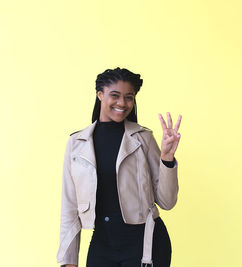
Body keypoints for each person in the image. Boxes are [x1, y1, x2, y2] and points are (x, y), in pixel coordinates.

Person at [56, 67, 182, 267]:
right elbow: (69, 206)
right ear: (100, 95)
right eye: (115, 95)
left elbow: (167, 201)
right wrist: (68, 259)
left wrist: (167, 157)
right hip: (102, 245)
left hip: (145, 245)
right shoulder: (76, 144)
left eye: (129, 97)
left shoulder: (143, 139)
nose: (122, 103)